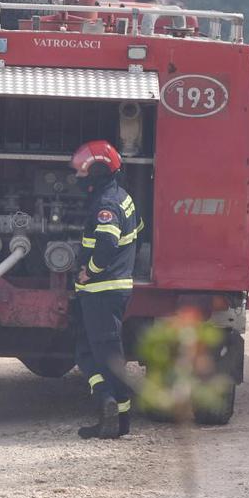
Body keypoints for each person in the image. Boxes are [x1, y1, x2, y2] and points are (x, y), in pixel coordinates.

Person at [69, 139, 143, 440]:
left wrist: (90, 271)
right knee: (87, 351)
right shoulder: (123, 197)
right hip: (106, 291)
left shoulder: (107, 204)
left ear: (97, 171)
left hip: (102, 290)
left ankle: (116, 415)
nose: (79, 179)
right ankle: (108, 404)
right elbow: (138, 229)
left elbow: (108, 242)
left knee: (107, 355)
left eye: (84, 172)